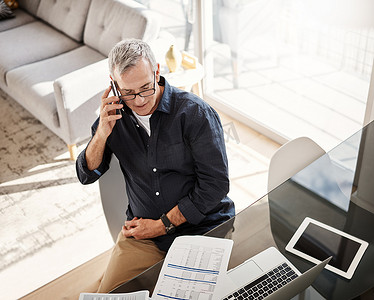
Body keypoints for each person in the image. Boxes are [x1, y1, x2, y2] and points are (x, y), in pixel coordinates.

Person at [76, 38, 235, 292]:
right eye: (128, 92)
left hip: (202, 228)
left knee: (189, 295)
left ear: (157, 72)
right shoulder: (112, 118)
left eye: (145, 88)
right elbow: (86, 174)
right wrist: (101, 134)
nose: (139, 100)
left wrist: (162, 225)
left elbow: (216, 185)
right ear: (114, 85)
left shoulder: (195, 113)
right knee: (106, 295)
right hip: (143, 235)